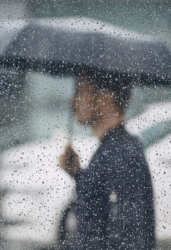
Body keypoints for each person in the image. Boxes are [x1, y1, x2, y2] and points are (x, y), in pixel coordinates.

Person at [59, 69, 155, 249]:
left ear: (105, 99)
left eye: (80, 93)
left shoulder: (122, 154)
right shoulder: (112, 149)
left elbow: (130, 236)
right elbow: (98, 210)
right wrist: (78, 174)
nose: (72, 102)